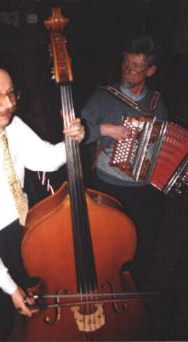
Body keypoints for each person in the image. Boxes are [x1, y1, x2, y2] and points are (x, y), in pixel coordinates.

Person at [0, 63, 84, 341]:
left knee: (33, 303)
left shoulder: (12, 124)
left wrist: (72, 141)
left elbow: (45, 159)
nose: (8, 104)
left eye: (11, 94)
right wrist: (10, 288)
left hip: (24, 226)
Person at [81, 34, 168, 290]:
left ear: (150, 71)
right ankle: (107, 287)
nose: (127, 72)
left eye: (135, 68)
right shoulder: (103, 96)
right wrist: (105, 131)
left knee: (143, 243)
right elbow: (78, 132)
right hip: (110, 185)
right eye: (125, 65)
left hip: (146, 188)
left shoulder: (157, 103)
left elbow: (162, 143)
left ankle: (135, 292)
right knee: (109, 243)